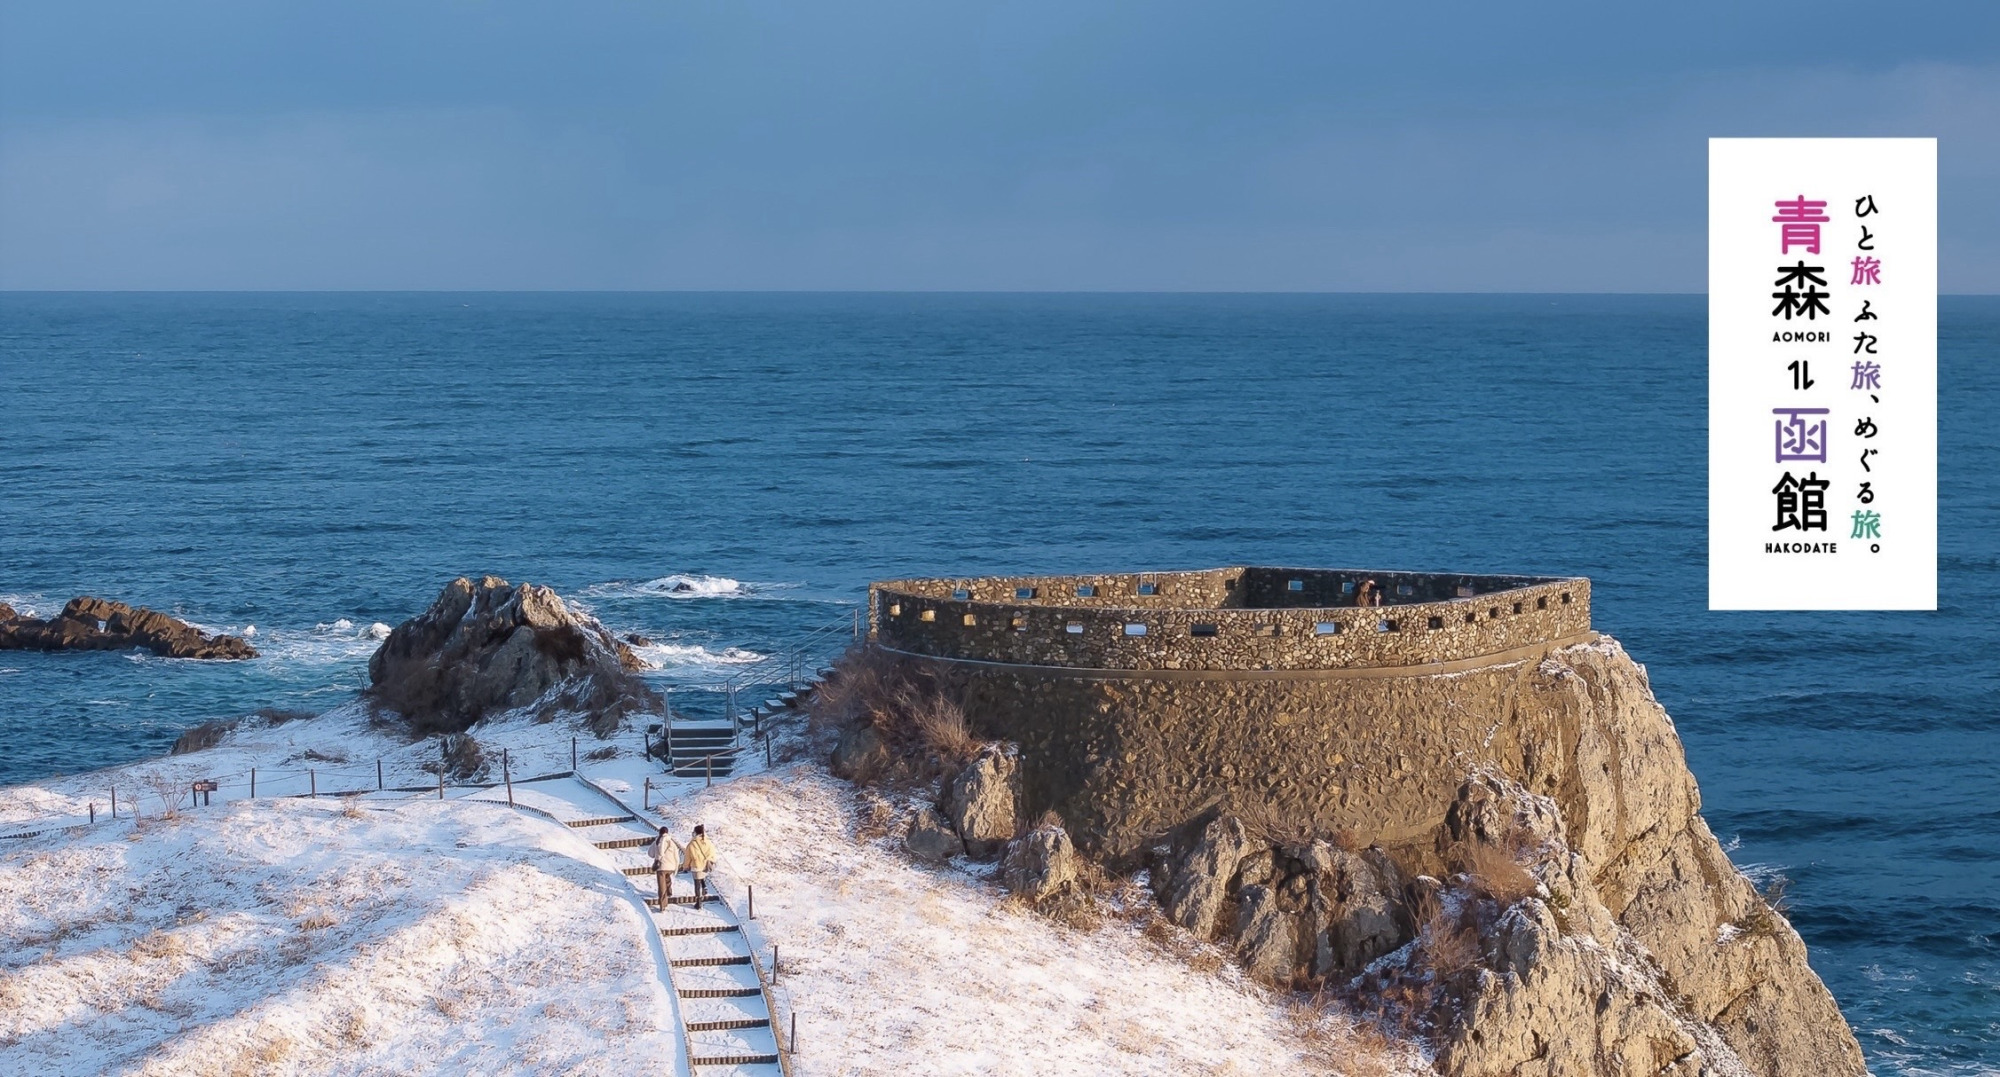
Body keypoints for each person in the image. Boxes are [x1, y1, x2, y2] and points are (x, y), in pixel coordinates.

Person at [685, 823, 717, 908]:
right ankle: (704, 886)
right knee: (701, 877)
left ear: (695, 832)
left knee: (697, 884)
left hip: (696, 865)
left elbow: (688, 856)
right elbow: (713, 853)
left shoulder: (692, 843)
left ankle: (698, 902)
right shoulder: (708, 841)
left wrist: (686, 866)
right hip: (705, 865)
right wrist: (711, 861)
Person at [651, 825, 681, 908]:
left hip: (661, 867)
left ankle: (663, 905)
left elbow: (650, 853)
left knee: (662, 886)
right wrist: (676, 867)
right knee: (667, 877)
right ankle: (669, 891)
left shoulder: (657, 841)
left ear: (659, 832)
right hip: (671, 867)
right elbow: (677, 857)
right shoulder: (672, 843)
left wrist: (655, 849)